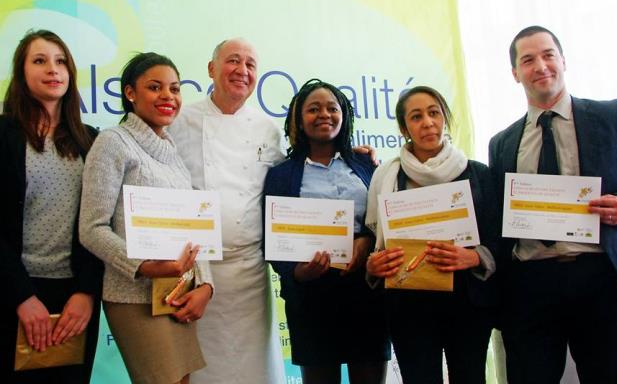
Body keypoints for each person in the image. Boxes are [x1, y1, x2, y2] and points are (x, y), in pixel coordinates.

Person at [488, 25, 617, 384]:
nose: (540, 65)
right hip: (528, 284)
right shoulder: (502, 143)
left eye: (547, 55)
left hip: (598, 277)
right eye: (528, 60)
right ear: (515, 74)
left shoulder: (611, 116)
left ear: (563, 61)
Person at [79, 52, 214, 384]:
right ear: (130, 93)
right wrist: (145, 266)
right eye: (155, 87)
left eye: (174, 88)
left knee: (181, 380)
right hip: (132, 296)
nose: (168, 96)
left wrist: (206, 285)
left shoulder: (174, 155)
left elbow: (196, 228)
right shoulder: (112, 142)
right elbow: (92, 229)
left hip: (177, 292)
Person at [169, 38, 287, 384]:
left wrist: (353, 156)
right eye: (233, 61)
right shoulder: (181, 119)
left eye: (250, 65)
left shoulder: (267, 127)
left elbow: (286, 181)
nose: (243, 71)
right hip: (195, 273)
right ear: (211, 69)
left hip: (249, 272)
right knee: (201, 369)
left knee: (253, 370)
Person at [366, 86, 501, 384]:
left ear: (445, 119)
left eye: (434, 113)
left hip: (468, 304)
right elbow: (372, 243)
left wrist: (474, 256)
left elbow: (498, 239)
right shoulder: (386, 177)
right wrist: (372, 266)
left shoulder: (478, 174)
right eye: (416, 116)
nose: (427, 122)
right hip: (408, 307)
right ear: (404, 128)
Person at [263, 79, 390, 384]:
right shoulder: (281, 175)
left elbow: (386, 220)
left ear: (343, 115)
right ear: (298, 118)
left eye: (332, 108)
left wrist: (367, 242)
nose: (324, 115)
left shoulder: (366, 164)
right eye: (313, 109)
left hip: (366, 294)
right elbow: (272, 240)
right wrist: (297, 272)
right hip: (311, 300)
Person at [0, 29, 103, 384]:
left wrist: (87, 293)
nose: (53, 69)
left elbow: (102, 223)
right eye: (40, 60)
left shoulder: (92, 139)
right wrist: (22, 297)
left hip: (73, 297)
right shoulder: (3, 135)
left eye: (60, 61)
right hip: (12, 291)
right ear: (21, 71)